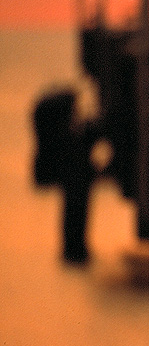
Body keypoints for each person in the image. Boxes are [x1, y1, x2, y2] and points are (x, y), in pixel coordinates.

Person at [33, 90, 100, 264]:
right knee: (76, 212)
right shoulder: (69, 143)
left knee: (74, 213)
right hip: (75, 182)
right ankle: (75, 251)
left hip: (72, 181)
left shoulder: (61, 142)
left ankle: (74, 250)